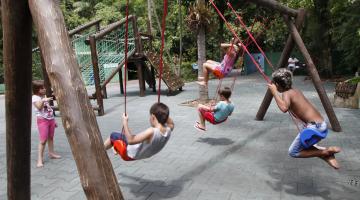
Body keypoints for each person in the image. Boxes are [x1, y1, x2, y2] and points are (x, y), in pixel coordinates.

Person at [268, 68, 341, 169]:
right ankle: (326, 154)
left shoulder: (286, 94)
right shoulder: (296, 91)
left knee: (293, 151)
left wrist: (274, 92)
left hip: (313, 128)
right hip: (321, 125)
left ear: (277, 85)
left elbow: (284, 108)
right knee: (305, 146)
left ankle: (325, 152)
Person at [104, 102, 174, 160]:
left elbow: (130, 141)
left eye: (150, 116)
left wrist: (125, 122)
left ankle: (100, 151)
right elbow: (170, 123)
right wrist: (162, 113)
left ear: (153, 117)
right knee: (134, 136)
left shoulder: (152, 131)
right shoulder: (168, 130)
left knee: (113, 135)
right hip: (144, 154)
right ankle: (115, 148)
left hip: (130, 154)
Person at [32, 80, 61, 168]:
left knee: (51, 137)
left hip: (50, 120)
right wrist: (44, 100)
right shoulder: (35, 98)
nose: (44, 89)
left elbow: (48, 109)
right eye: (42, 88)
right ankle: (39, 159)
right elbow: (39, 107)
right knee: (43, 140)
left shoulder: (43, 96)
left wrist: (53, 120)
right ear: (37, 90)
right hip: (42, 121)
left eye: (44, 87)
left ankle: (52, 153)